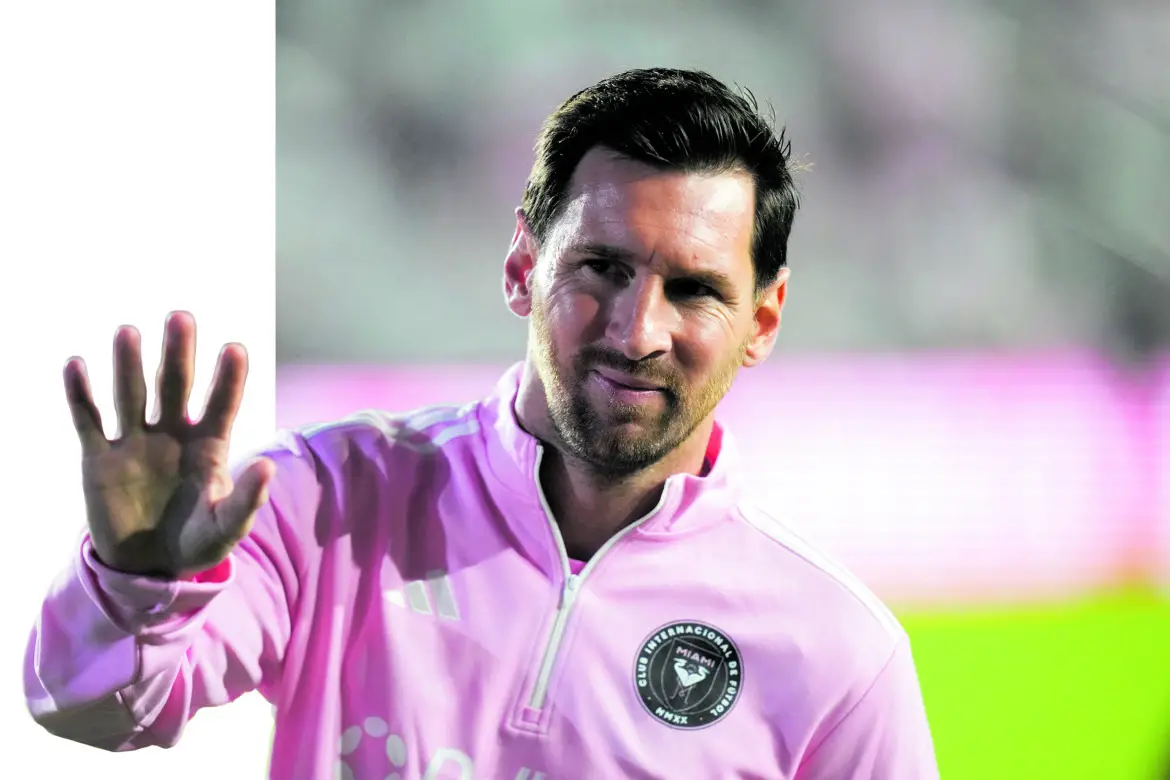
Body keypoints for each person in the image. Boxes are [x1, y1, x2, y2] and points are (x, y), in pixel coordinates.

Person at [24, 67, 938, 779]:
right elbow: (95, 707)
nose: (637, 333)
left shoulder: (838, 655)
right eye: (602, 269)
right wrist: (133, 584)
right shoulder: (328, 505)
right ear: (522, 267)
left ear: (762, 321)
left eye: (694, 290)